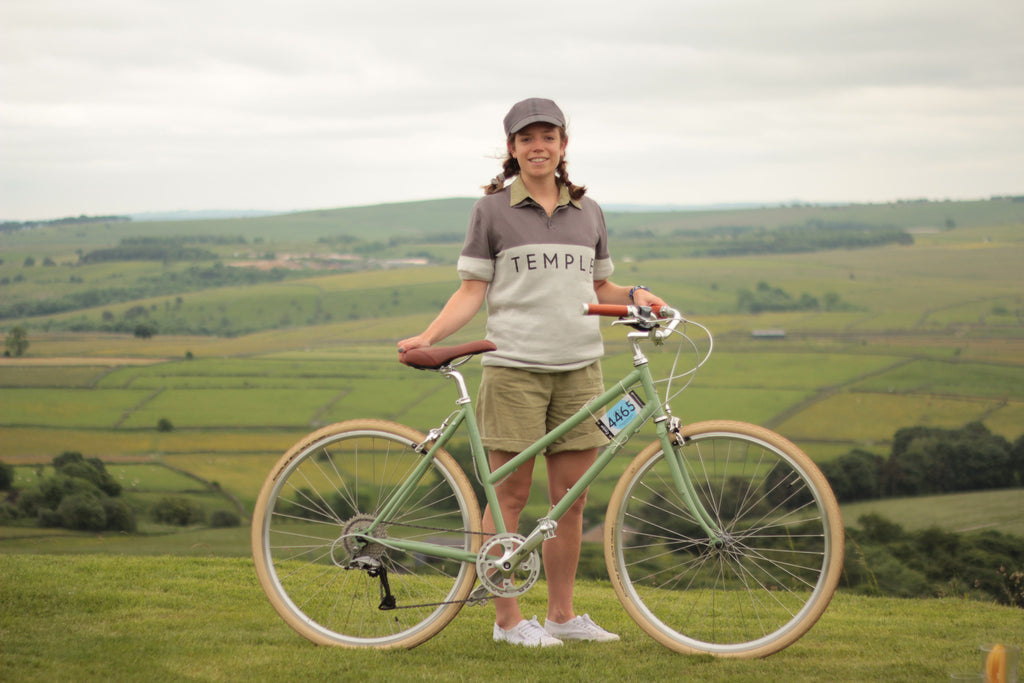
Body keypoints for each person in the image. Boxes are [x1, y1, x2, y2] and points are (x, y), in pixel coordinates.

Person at [398, 98, 665, 647]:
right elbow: (473, 290)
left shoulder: (589, 212)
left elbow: (598, 288)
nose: (538, 146)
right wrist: (428, 338)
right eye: (526, 139)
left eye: (548, 136)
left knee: (571, 500)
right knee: (510, 500)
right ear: (513, 148)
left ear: (564, 145)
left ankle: (562, 616)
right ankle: (508, 621)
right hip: (514, 368)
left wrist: (637, 294)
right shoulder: (492, 211)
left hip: (579, 370)